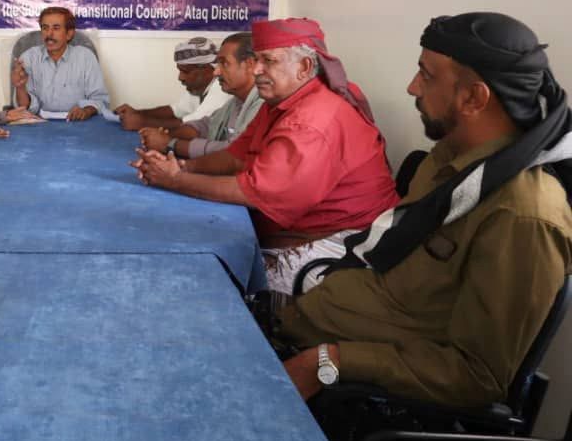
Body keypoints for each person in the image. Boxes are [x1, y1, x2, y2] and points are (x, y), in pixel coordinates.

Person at [275, 12, 572, 417]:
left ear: (474, 98)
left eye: (427, 76)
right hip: (307, 321)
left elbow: (475, 376)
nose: (412, 87)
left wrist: (327, 363)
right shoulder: (448, 160)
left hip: (341, 385)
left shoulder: (523, 215)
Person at [133, 18, 398, 293]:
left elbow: (254, 192)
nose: (256, 69)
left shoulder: (311, 121)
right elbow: (236, 157)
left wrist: (174, 180)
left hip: (341, 240)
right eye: (256, 59)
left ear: (304, 67)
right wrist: (183, 168)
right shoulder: (280, 102)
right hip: (297, 227)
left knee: (210, 280)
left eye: (268, 61)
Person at [139, 33, 263, 158]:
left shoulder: (262, 103)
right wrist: (167, 136)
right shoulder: (237, 99)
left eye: (224, 63)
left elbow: (235, 150)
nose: (216, 72)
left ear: (250, 64)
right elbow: (207, 125)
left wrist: (170, 144)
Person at [12, 6, 110, 121]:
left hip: (78, 123)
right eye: (45, 28)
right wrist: (20, 88)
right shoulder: (28, 58)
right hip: (39, 123)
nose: (49, 34)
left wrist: (86, 110)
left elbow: (99, 99)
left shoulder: (85, 57)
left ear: (69, 34)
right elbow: (24, 108)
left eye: (56, 28)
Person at [115, 36, 225, 131]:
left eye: (186, 72)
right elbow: (176, 110)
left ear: (207, 69)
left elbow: (192, 125)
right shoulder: (199, 88)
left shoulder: (222, 88)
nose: (180, 77)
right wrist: (137, 113)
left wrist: (143, 122)